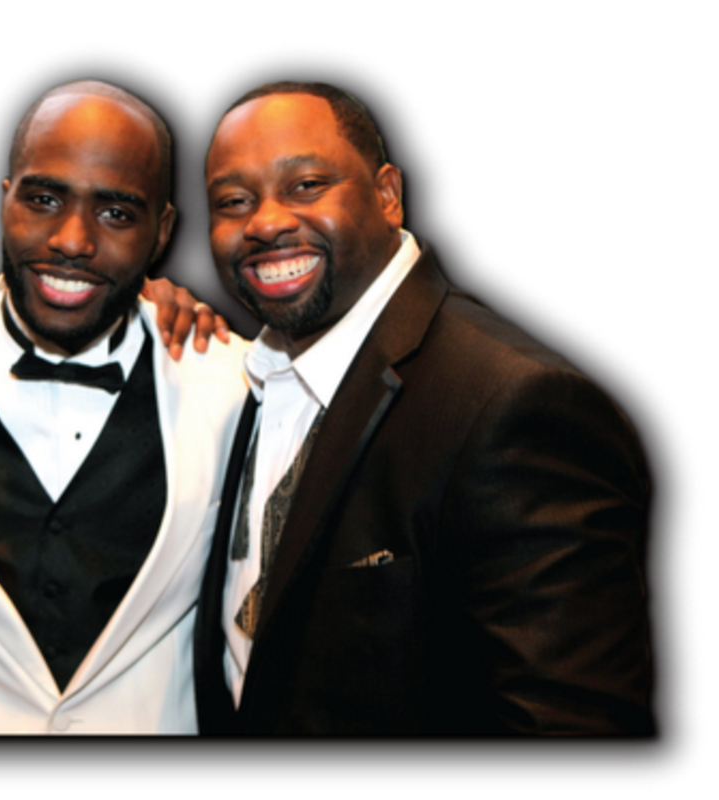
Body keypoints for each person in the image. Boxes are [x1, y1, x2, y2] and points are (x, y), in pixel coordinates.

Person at [193, 81, 652, 735]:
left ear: (387, 194)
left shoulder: (516, 405)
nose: (265, 222)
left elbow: (566, 731)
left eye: (306, 186)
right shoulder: (252, 379)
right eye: (234, 201)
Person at [0, 80, 249, 733]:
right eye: (44, 199)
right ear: (4, 201)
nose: (71, 239)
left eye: (116, 213)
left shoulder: (237, 384)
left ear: (161, 231)